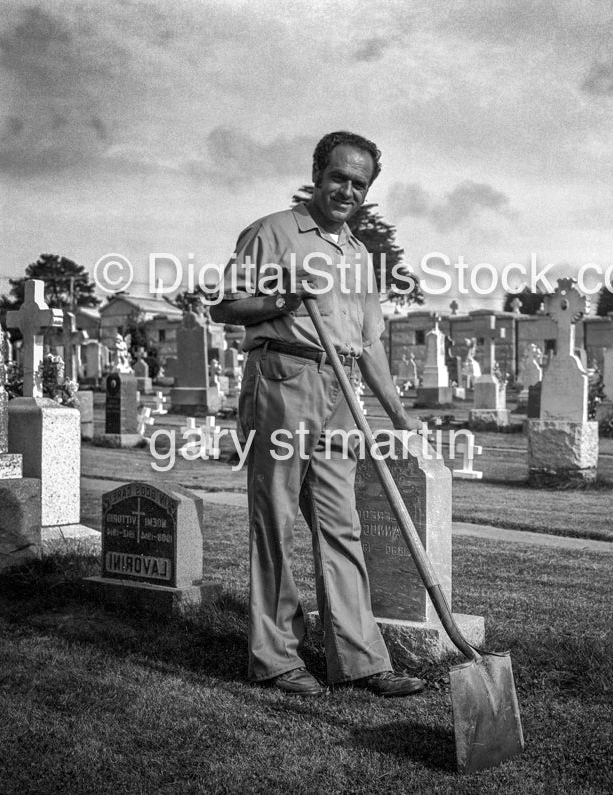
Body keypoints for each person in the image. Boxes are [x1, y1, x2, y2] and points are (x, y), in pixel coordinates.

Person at [210, 131, 425, 697]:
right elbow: (224, 304)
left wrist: (399, 416)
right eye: (338, 177)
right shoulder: (272, 231)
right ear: (317, 174)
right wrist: (282, 298)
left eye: (359, 183)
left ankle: (359, 661)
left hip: (341, 390)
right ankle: (276, 657)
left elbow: (371, 342)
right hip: (284, 378)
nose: (347, 190)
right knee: (275, 520)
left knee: (341, 525)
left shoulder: (358, 254)